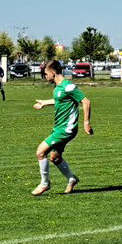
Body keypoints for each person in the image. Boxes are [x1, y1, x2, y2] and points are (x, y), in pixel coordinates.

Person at [32, 60, 92, 195]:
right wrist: (44, 103)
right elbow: (60, 99)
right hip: (60, 127)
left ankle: (44, 184)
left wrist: (86, 123)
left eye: (46, 74)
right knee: (55, 158)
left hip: (66, 129)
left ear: (53, 73)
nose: (45, 76)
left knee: (40, 153)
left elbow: (85, 101)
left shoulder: (68, 86)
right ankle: (72, 179)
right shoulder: (58, 87)